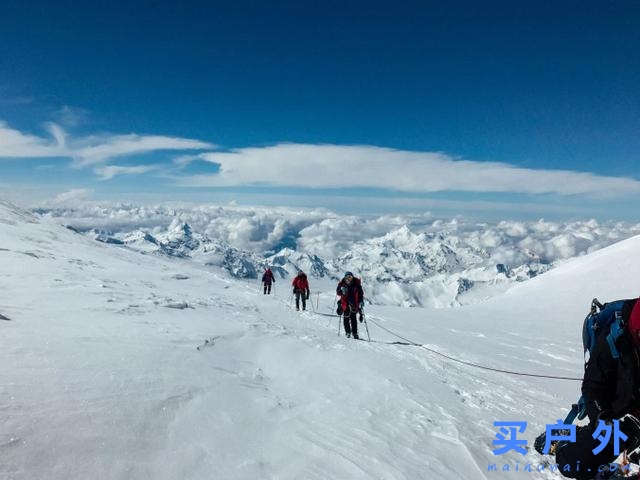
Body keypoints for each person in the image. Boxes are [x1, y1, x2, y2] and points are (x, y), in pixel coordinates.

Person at [552, 297, 640, 479]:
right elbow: (593, 387)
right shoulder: (614, 338)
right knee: (573, 464)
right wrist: (602, 417)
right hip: (622, 415)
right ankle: (567, 440)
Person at [336, 272, 364, 339]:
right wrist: (341, 291)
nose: (348, 278)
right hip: (345, 303)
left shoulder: (356, 285)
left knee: (353, 318)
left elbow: (360, 294)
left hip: (354, 304)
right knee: (346, 317)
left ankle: (354, 333)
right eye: (347, 277)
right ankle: (348, 332)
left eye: (350, 277)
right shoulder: (342, 284)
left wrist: (360, 302)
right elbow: (338, 292)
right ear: (345, 277)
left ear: (352, 277)